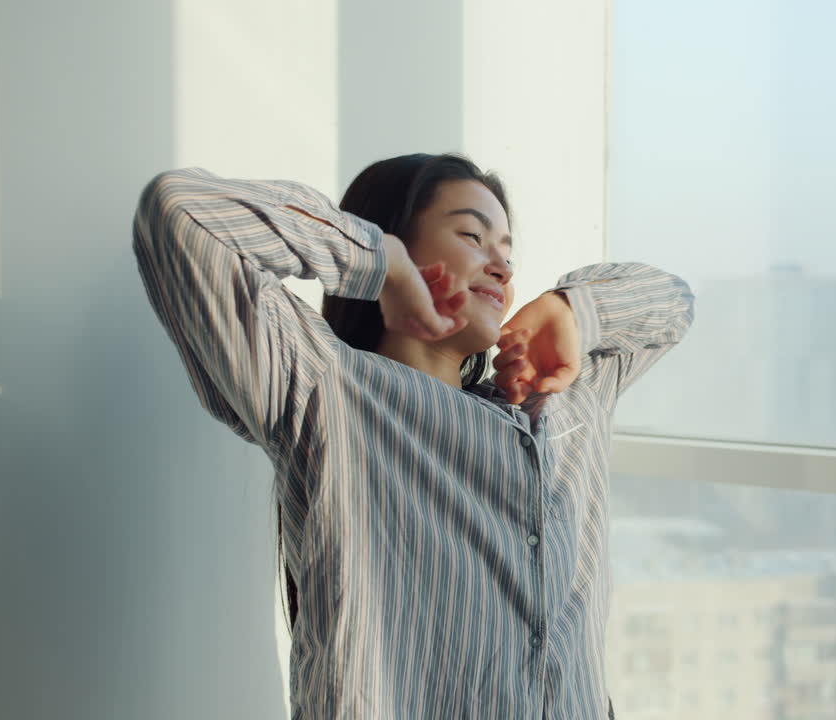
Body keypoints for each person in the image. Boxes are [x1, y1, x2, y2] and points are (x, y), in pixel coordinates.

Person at [131, 153, 694, 719]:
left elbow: (673, 302)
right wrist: (379, 265)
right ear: (397, 238)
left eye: (507, 251)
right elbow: (181, 214)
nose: (501, 266)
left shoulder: (563, 396)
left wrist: (575, 308)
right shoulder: (328, 391)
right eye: (473, 235)